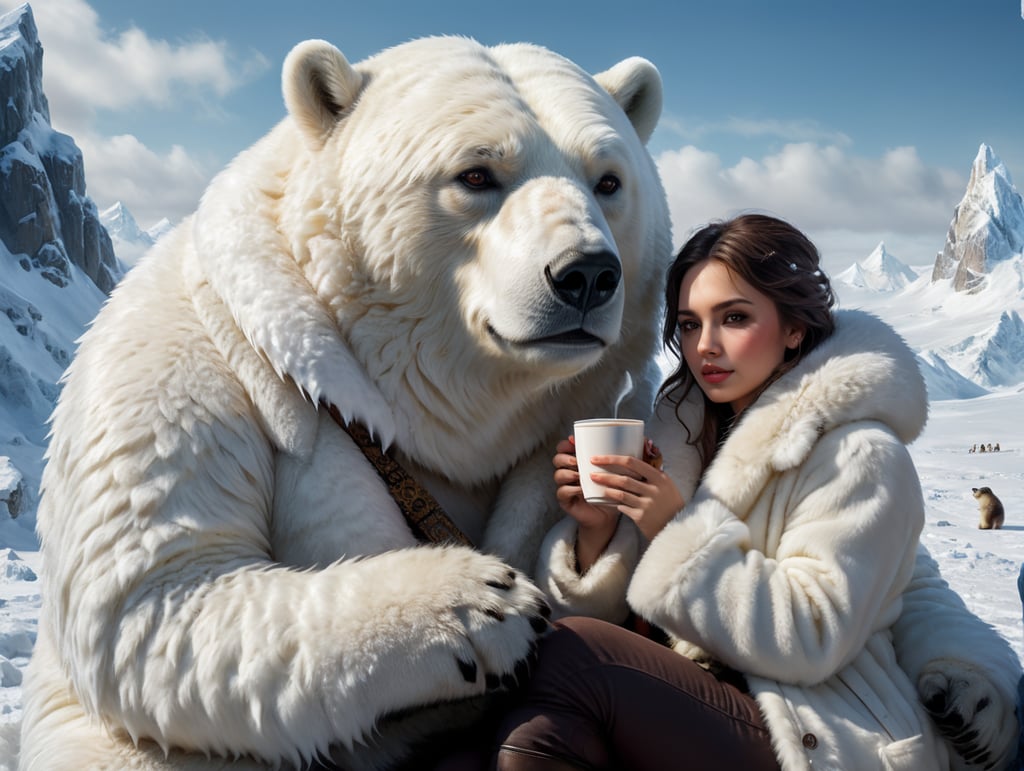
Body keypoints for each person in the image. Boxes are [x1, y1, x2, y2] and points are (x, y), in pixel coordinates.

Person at [490, 213, 951, 770]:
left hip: (817, 730)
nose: (704, 345)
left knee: (572, 657)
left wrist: (675, 530)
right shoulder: (680, 439)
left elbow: (811, 637)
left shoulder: (859, 455)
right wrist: (599, 531)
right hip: (696, 704)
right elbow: (636, 617)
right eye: (688, 324)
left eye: (733, 318)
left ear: (794, 329)